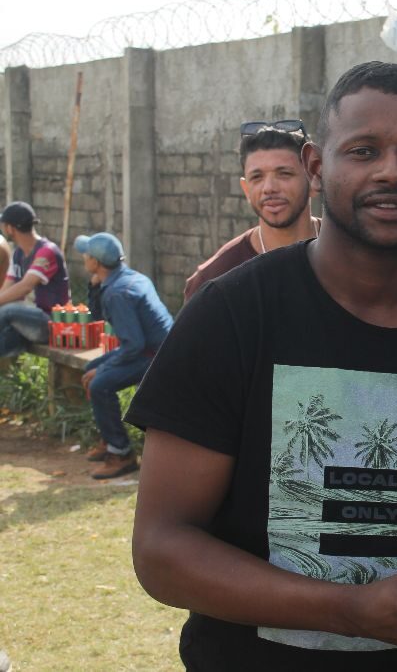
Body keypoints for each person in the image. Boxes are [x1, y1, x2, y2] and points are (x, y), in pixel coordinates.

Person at [127, 62, 397, 670]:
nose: (391, 171)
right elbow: (160, 550)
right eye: (363, 150)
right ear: (315, 166)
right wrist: (347, 608)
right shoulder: (232, 315)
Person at [182, 119, 320, 301]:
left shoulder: (348, 252)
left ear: (314, 180)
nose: (269, 188)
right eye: (257, 177)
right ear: (246, 189)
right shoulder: (214, 280)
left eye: (284, 174)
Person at [75, 232, 173, 480]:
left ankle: (121, 453)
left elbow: (133, 346)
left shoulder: (118, 292)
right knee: (91, 368)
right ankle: (109, 438)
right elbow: (98, 316)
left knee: (99, 384)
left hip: (156, 357)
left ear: (96, 262)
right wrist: (94, 286)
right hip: (150, 349)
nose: (83, 258)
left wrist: (103, 370)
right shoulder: (126, 278)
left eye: (86, 255)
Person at [0, 202, 69, 357]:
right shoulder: (18, 253)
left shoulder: (47, 251)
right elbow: (7, 287)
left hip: (52, 322)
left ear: (10, 228)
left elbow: (25, 287)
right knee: (7, 335)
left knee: (7, 310)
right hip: (29, 319)